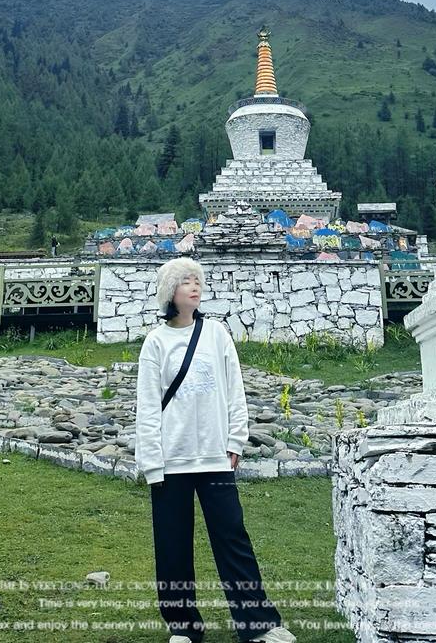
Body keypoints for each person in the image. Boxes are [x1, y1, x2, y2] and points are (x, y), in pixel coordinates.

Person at [135, 257, 296, 643]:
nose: (194, 285)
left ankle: (258, 625)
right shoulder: (155, 342)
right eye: (185, 280)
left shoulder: (217, 334)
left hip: (214, 457)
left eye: (197, 279)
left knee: (232, 538)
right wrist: (152, 462)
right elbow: (147, 405)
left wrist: (235, 440)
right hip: (171, 461)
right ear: (169, 292)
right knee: (172, 546)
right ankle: (183, 628)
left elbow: (234, 390)